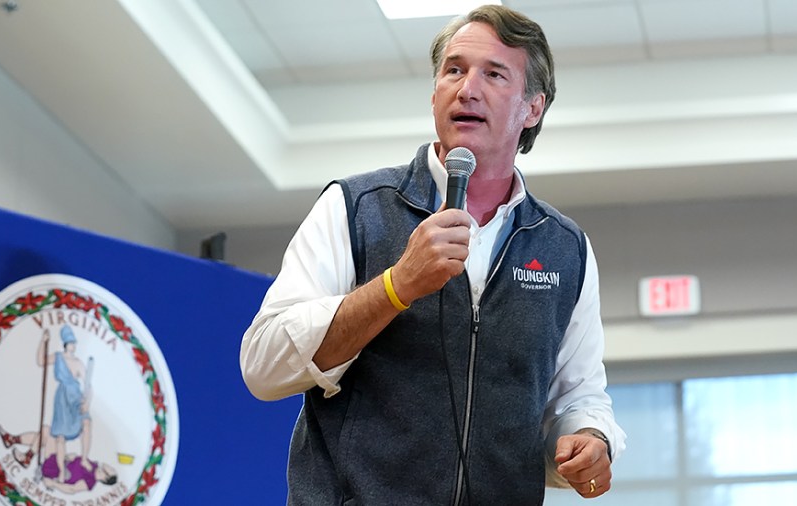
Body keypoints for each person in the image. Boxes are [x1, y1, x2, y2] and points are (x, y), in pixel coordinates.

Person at [240, 5, 625, 504]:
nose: (467, 88)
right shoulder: (357, 208)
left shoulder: (563, 247)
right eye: (454, 70)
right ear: (434, 94)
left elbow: (576, 396)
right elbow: (263, 365)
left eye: (494, 74)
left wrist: (590, 440)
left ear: (532, 108)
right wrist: (394, 287)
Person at [38, 326, 95, 482]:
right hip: (63, 399)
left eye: (74, 342)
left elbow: (89, 386)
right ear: (65, 344)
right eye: (70, 342)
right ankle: (62, 471)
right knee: (60, 437)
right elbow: (41, 361)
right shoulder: (58, 358)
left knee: (87, 423)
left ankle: (84, 458)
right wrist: (43, 342)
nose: (73, 345)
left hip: (77, 398)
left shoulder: (78, 363)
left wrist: (87, 403)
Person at [0, 423, 117, 494]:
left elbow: (72, 489)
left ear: (105, 477)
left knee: (48, 432)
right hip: (59, 460)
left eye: (111, 470)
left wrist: (53, 484)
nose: (110, 466)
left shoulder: (90, 482)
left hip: (54, 470)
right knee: (45, 434)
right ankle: (12, 441)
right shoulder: (93, 465)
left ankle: (26, 457)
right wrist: (69, 457)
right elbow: (73, 464)